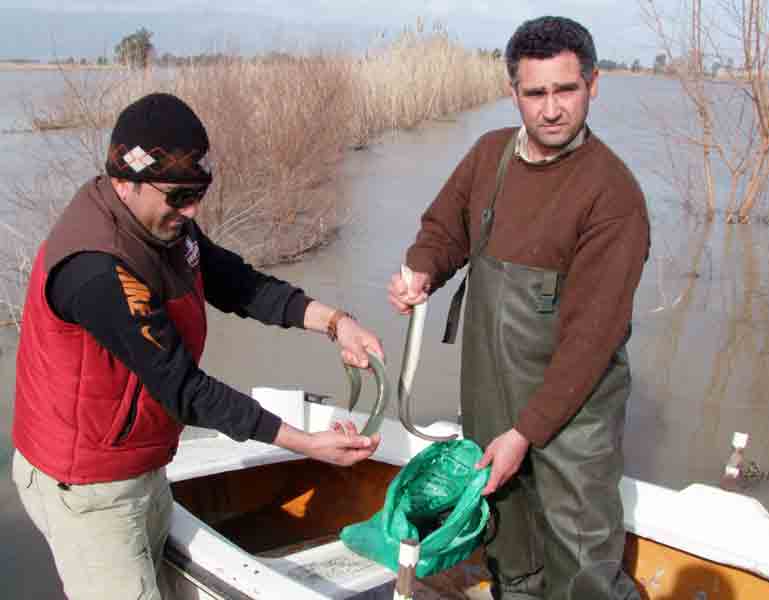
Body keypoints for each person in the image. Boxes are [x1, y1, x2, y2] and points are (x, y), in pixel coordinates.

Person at [11, 92, 384, 600]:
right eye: (180, 196)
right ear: (125, 181)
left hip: (142, 460)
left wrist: (336, 322)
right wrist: (308, 444)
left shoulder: (161, 223)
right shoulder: (94, 269)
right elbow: (184, 388)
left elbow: (234, 282)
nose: (193, 208)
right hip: (87, 487)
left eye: (199, 191)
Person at [388, 16, 648, 600]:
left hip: (574, 412)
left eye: (566, 90)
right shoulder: (489, 156)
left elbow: (590, 341)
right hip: (490, 396)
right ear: (514, 93)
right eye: (536, 93)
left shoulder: (613, 196)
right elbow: (444, 227)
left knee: (581, 560)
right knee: (508, 546)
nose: (551, 109)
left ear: (593, 84)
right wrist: (422, 268)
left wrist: (526, 432)